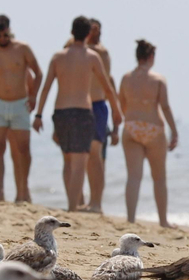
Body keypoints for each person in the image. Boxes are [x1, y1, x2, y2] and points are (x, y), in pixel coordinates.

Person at [33, 15, 122, 212]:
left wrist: (39, 115)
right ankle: (74, 207)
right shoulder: (92, 57)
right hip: (82, 111)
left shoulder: (58, 56)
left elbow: (46, 88)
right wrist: (117, 111)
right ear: (88, 33)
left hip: (60, 111)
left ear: (71, 32)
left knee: (67, 159)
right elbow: (107, 87)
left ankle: (71, 204)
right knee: (80, 161)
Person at [0, 14, 43, 203]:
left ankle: (23, 190)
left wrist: (33, 96)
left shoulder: (22, 49)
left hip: (20, 103)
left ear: (9, 30)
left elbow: (38, 73)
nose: (2, 39)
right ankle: (0, 190)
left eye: (4, 35)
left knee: (23, 149)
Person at [120, 39, 179, 228]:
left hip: (131, 126)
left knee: (133, 177)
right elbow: (165, 106)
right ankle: (163, 221)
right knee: (159, 177)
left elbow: (122, 103)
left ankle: (130, 219)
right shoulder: (158, 79)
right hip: (153, 128)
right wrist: (174, 130)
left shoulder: (126, 78)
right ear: (151, 57)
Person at [85, 18, 116, 213]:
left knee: (97, 156)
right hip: (81, 105)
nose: (95, 32)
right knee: (84, 157)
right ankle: (88, 200)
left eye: (97, 29)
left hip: (97, 105)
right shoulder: (76, 48)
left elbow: (107, 82)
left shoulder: (101, 52)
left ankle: (97, 202)